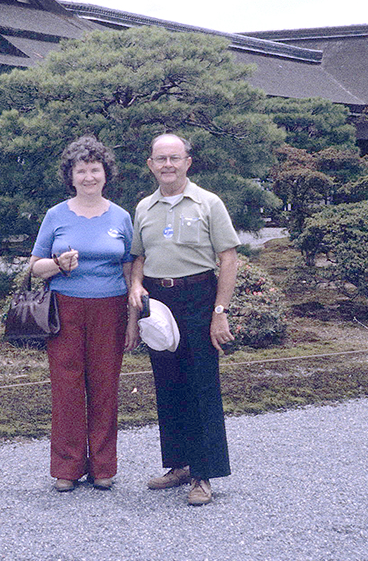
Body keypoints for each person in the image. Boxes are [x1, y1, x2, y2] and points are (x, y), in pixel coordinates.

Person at [126, 133, 239, 506]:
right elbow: (138, 258)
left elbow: (227, 258)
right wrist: (137, 289)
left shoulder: (208, 203)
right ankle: (178, 465)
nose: (168, 165)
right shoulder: (143, 207)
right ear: (151, 164)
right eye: (161, 159)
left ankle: (203, 475)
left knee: (202, 386)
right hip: (159, 301)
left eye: (175, 158)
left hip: (198, 298)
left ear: (188, 162)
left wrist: (219, 312)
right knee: (168, 384)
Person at [30, 135, 134, 492]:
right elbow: (34, 268)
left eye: (95, 169)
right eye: (81, 171)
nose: (89, 177)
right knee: (67, 387)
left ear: (106, 174)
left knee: (105, 387)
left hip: (111, 308)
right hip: (65, 310)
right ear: (70, 176)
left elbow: (129, 268)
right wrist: (58, 265)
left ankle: (103, 466)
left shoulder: (121, 216)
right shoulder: (55, 215)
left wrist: (134, 318)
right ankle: (68, 467)